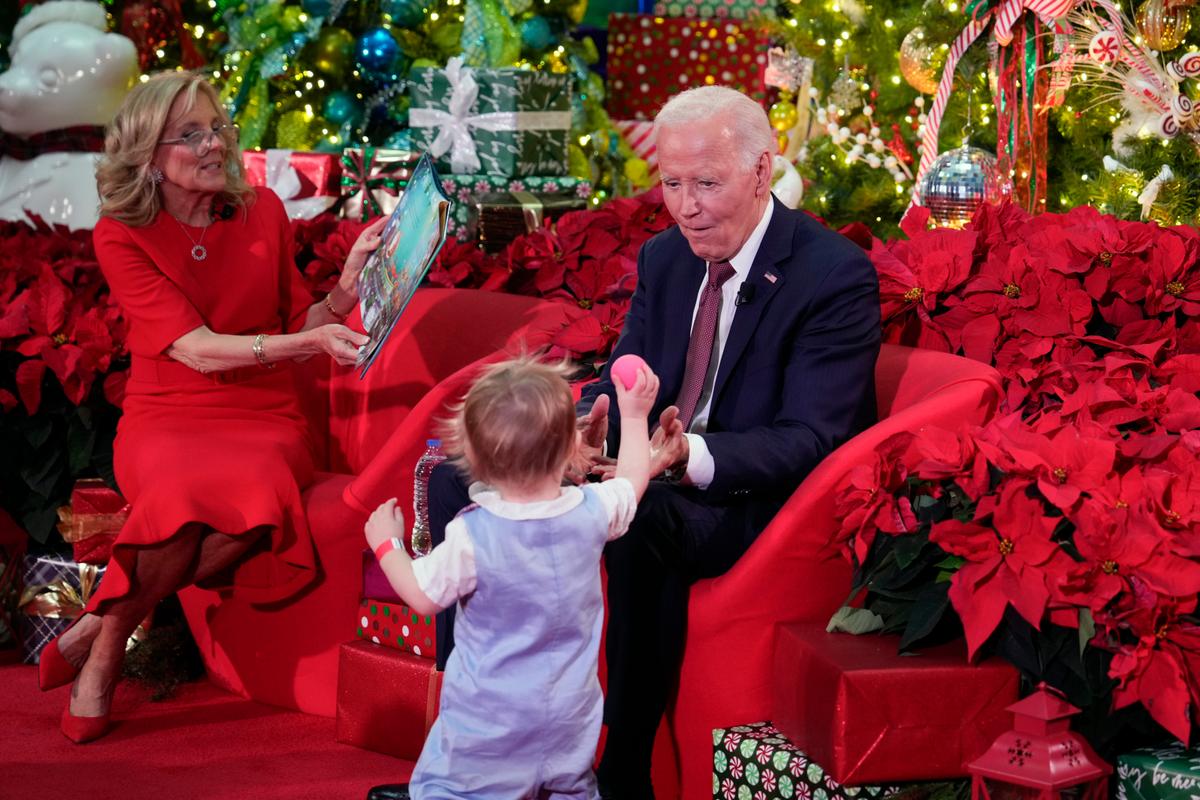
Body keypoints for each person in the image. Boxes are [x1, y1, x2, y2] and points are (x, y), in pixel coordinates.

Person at [418, 84, 881, 798]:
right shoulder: (668, 258)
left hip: (745, 498)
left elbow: (813, 437)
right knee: (464, 478)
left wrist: (684, 457)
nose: (687, 206)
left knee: (639, 524)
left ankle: (622, 771)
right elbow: (627, 371)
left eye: (707, 184)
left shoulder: (831, 274)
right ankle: (471, 744)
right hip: (644, 461)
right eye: (671, 184)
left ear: (761, 171)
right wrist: (579, 430)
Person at [37, 71, 385, 744]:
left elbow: (297, 321)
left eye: (217, 128)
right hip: (169, 410)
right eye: (190, 134)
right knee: (175, 496)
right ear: (147, 156)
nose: (213, 144)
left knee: (262, 491)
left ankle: (102, 630)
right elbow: (194, 350)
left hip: (263, 416)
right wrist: (307, 339)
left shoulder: (263, 211)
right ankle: (107, 646)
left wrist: (342, 291)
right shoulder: (121, 234)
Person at [363, 355, 657, 799]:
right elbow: (634, 480)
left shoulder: (473, 534)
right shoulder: (592, 511)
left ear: (473, 458)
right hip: (568, 723)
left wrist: (388, 545)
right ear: (568, 451)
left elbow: (422, 596)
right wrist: (634, 413)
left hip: (487, 732)